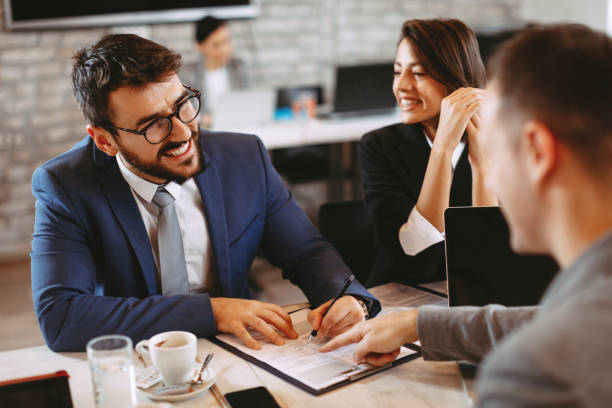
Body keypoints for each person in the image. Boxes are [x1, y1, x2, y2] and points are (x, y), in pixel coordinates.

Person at [30, 34, 380, 352]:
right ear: (105, 140)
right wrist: (211, 311)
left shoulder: (245, 157)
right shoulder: (65, 185)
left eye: (183, 105)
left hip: (242, 347)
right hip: (139, 357)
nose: (183, 132)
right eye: (154, 125)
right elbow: (61, 316)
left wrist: (347, 297)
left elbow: (305, 251)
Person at [321, 24, 612, 406]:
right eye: (397, 70)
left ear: (538, 151)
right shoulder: (587, 300)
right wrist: (420, 324)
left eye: (503, 150)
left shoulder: (532, 375)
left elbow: (544, 315)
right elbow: (557, 321)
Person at [360, 19, 497, 286]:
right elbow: (414, 250)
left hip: (473, 291)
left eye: (419, 73)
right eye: (398, 72)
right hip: (403, 292)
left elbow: (492, 251)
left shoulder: (501, 141)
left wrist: (482, 165)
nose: (401, 86)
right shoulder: (379, 146)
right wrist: (443, 147)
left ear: (457, 79)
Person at [193, 15, 248, 128]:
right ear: (200, 46)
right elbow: (186, 113)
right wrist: (203, 119)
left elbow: (248, 102)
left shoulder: (238, 67)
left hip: (238, 127)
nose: (225, 50)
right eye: (216, 45)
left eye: (227, 41)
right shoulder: (189, 74)